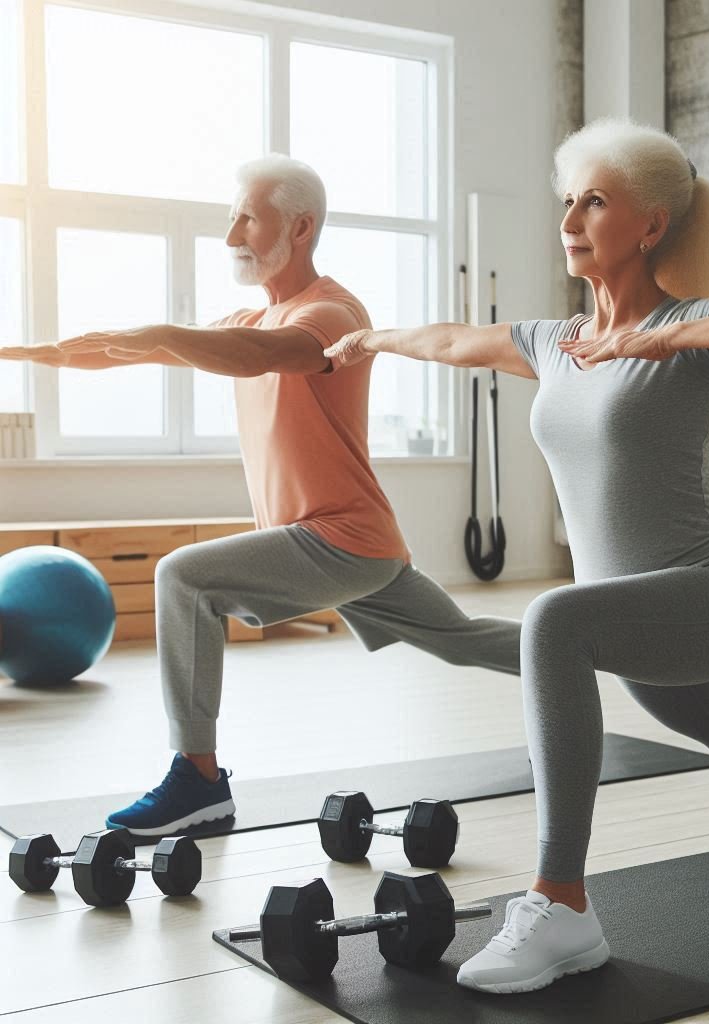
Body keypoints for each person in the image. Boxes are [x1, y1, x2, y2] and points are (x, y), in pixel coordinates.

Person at [322, 119, 709, 995]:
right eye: (567, 200)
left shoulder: (697, 324)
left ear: (652, 225)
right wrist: (373, 340)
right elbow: (450, 340)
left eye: (596, 200)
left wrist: (659, 340)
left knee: (551, 618)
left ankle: (563, 906)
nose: (572, 216)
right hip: (636, 609)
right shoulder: (556, 343)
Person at [0, 155, 520, 835]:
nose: (230, 236)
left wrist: (164, 336)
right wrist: (46, 354)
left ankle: (199, 781)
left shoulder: (332, 311)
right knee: (461, 640)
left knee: (183, 577)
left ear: (300, 226)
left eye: (248, 217)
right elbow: (165, 350)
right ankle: (594, 649)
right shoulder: (253, 313)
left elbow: (262, 354)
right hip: (360, 544)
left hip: (336, 536)